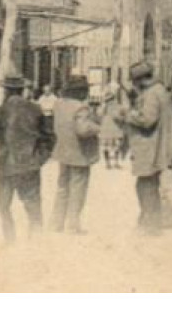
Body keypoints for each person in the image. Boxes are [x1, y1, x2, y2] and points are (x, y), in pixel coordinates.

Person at [0, 73, 53, 241]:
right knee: (33, 206)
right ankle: (36, 242)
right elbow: (49, 137)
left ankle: (10, 241)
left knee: (4, 207)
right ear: (21, 90)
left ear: (6, 91)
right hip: (30, 165)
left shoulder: (0, 110)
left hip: (7, 166)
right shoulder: (35, 109)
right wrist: (40, 159)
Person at [126, 61, 172, 235]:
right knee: (149, 184)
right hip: (159, 145)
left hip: (151, 147)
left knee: (145, 186)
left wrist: (128, 114)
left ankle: (150, 224)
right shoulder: (161, 91)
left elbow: (147, 120)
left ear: (140, 80)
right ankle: (149, 222)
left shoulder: (151, 94)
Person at [50, 74, 101, 234]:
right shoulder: (81, 107)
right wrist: (97, 127)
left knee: (62, 188)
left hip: (63, 152)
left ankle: (56, 223)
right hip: (79, 154)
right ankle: (73, 225)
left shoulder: (58, 104)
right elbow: (83, 129)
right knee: (77, 190)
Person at [100, 88, 126, 169]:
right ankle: (108, 163)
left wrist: (121, 118)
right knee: (106, 146)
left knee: (116, 147)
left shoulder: (118, 106)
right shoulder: (104, 108)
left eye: (111, 99)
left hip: (115, 129)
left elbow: (122, 116)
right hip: (107, 128)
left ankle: (115, 162)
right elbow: (99, 114)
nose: (110, 101)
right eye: (108, 100)